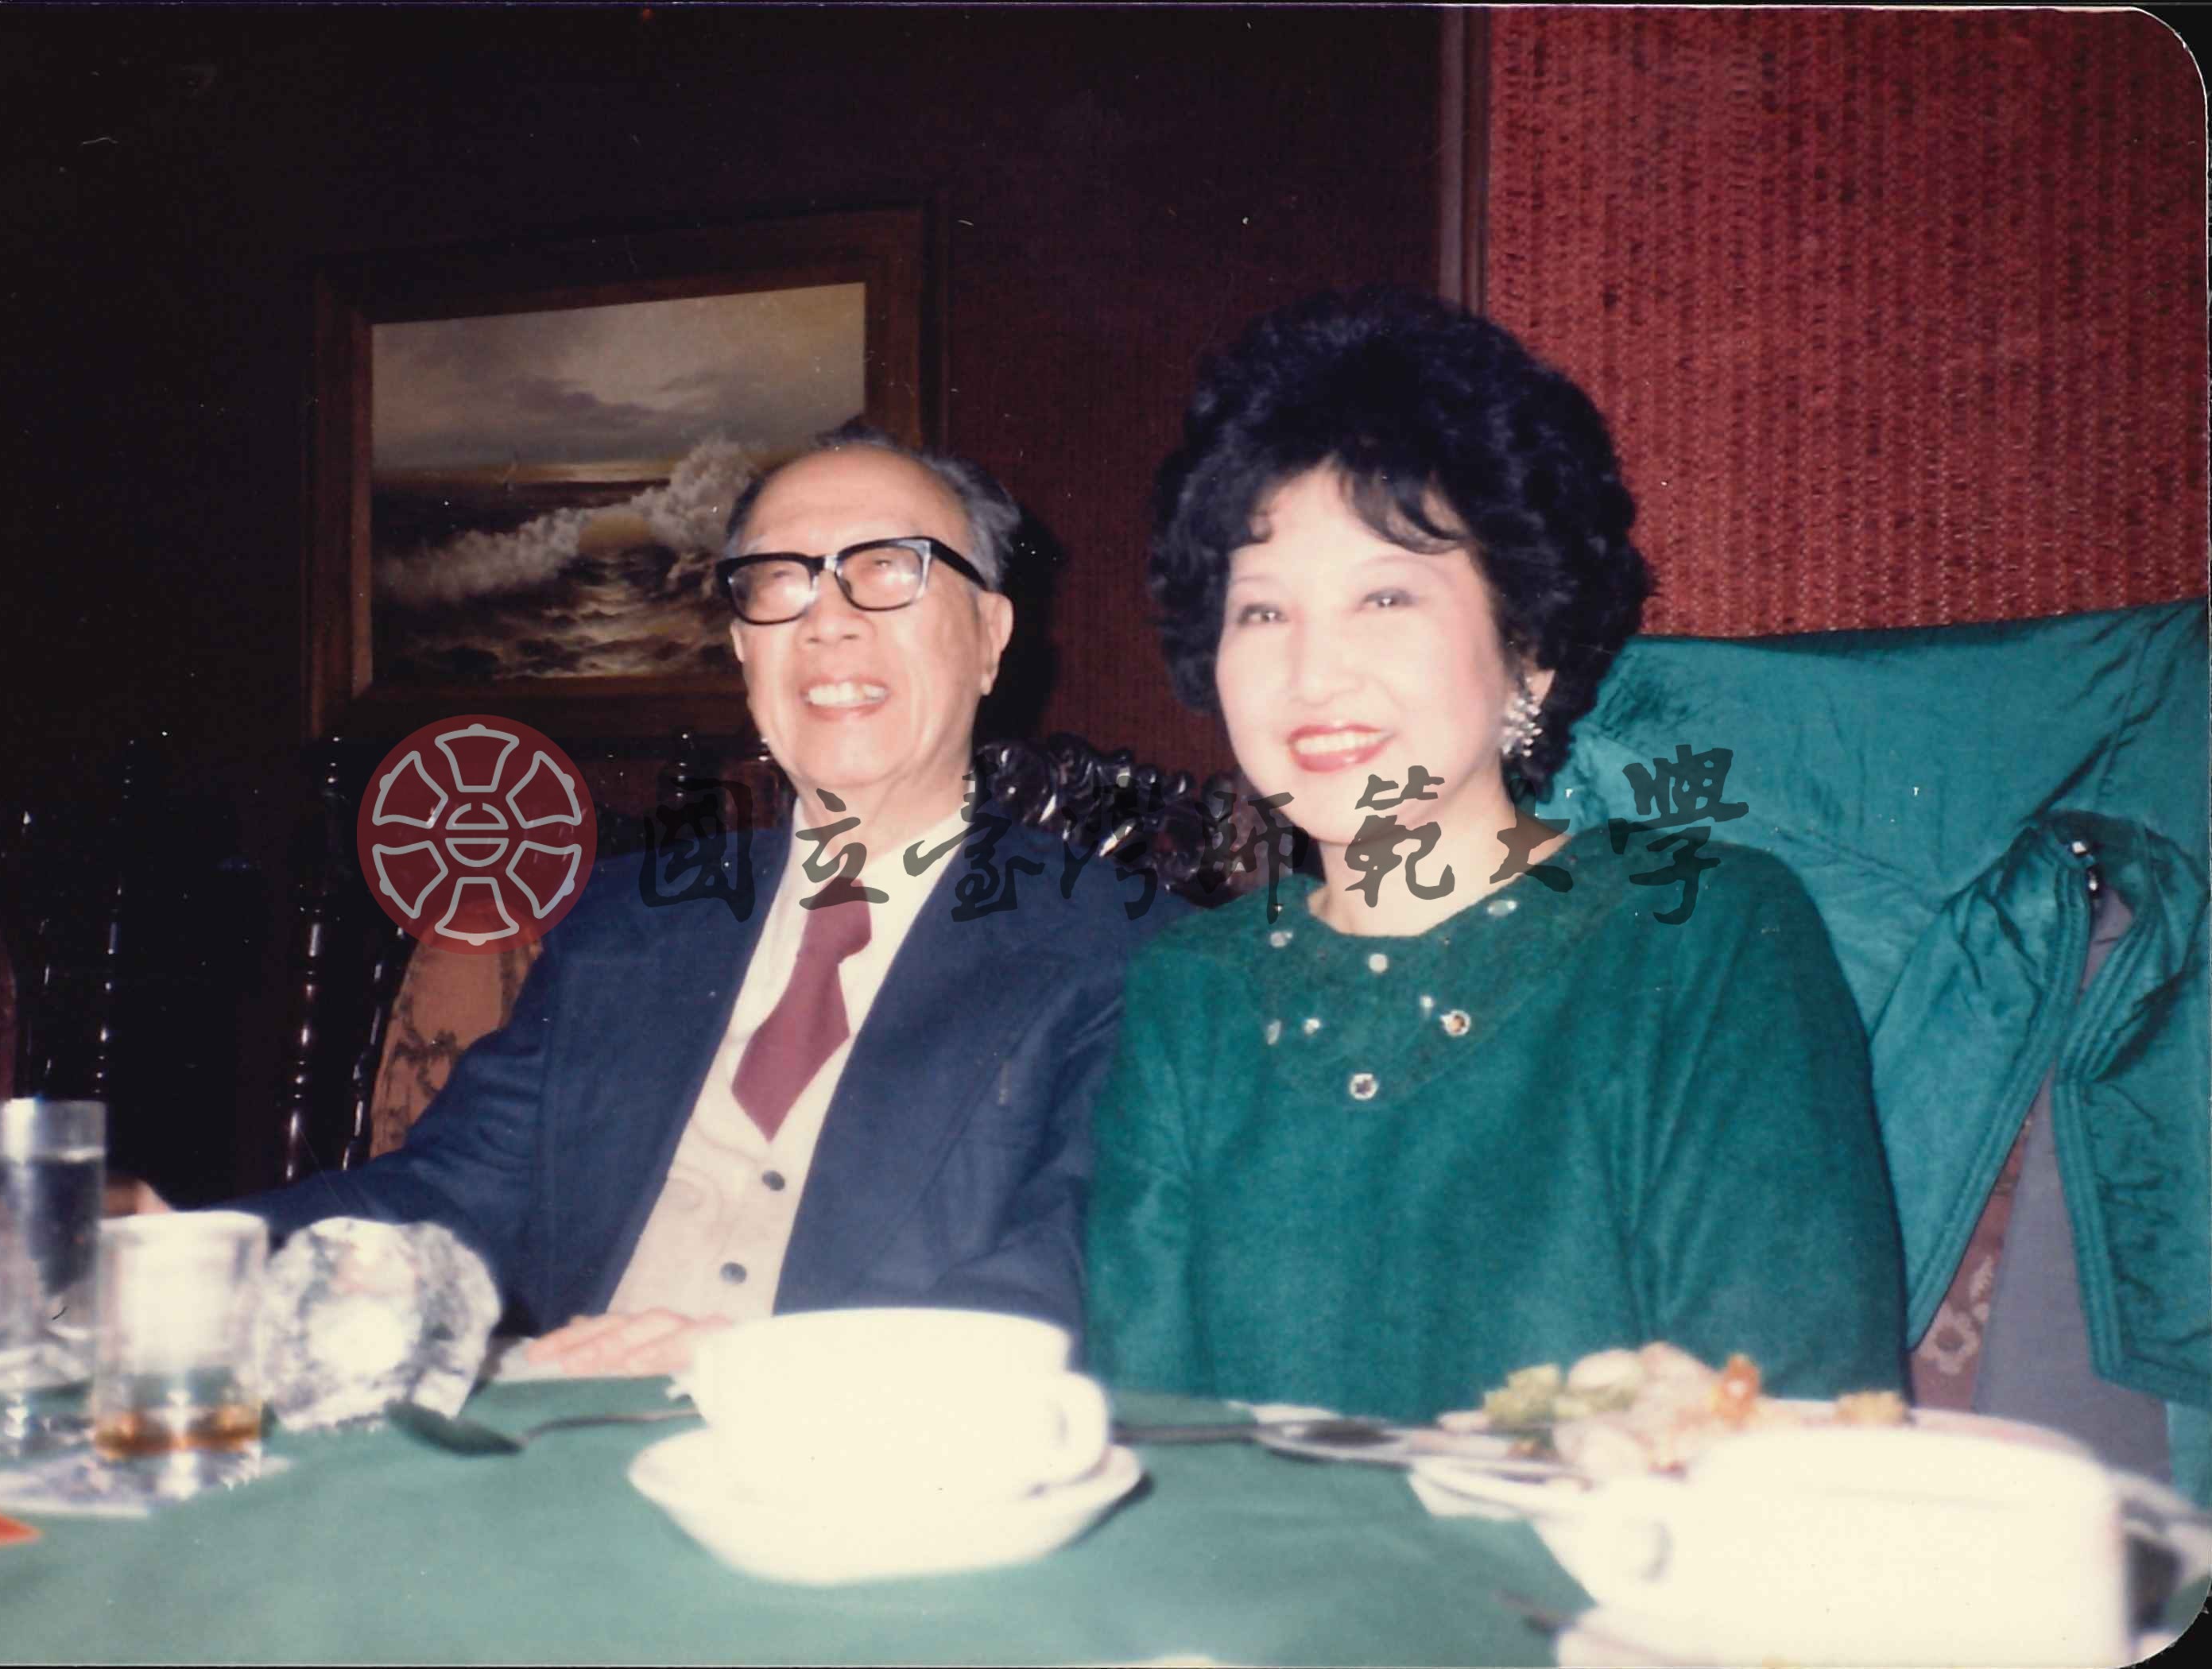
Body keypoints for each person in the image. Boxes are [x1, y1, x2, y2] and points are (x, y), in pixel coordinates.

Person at [1084, 288, 1907, 1423]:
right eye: (1261, 612)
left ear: (1526, 646)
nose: (1311, 674)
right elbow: (1150, 1444)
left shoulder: (1703, 937)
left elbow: (1783, 1430)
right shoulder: (1191, 994)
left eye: (1383, 596)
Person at [239, 422, 1182, 1374]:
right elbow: (448, 1194)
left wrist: (764, 1371)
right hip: (570, 1425)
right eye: (780, 582)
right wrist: (206, 1252)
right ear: (741, 649)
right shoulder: (623, 923)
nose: (827, 621)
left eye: (889, 569)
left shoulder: (1130, 954)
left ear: (988, 638)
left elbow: (1073, 1270)